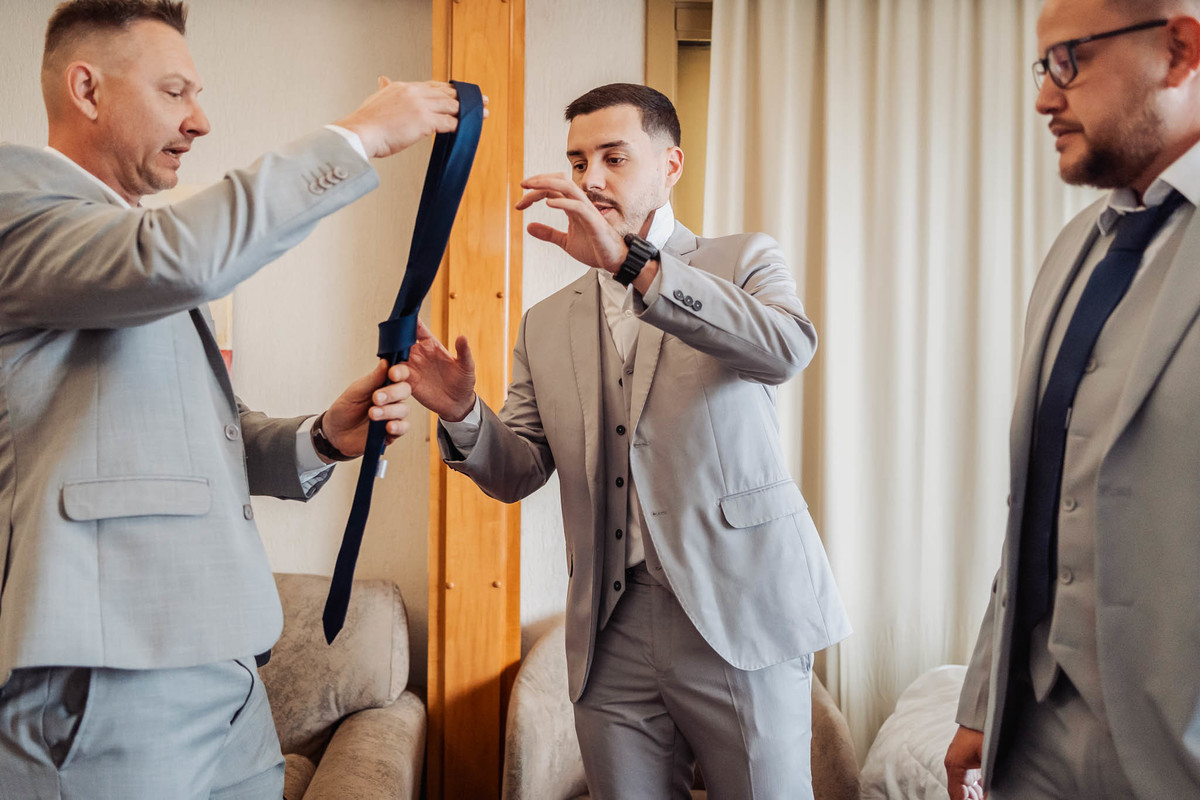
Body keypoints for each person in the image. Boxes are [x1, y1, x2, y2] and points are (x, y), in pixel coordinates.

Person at [0, 1, 467, 796]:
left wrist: (322, 436)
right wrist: (357, 138)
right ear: (87, 89)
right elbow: (180, 259)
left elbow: (192, 437)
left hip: (229, 674)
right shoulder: (22, 213)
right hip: (113, 676)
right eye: (176, 91)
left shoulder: (122, 247)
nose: (200, 120)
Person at [399, 82, 850, 799]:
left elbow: (785, 350)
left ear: (670, 165)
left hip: (738, 610)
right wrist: (462, 415)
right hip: (609, 631)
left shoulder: (742, 261)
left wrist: (633, 265)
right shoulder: (545, 324)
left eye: (614, 157)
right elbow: (518, 470)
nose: (591, 179)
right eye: (578, 161)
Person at [944, 1, 1200, 798]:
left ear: (1181, 50)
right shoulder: (1073, 250)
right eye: (1043, 67)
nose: (1045, 99)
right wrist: (986, 696)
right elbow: (1044, 502)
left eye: (1069, 61)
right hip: (1037, 739)